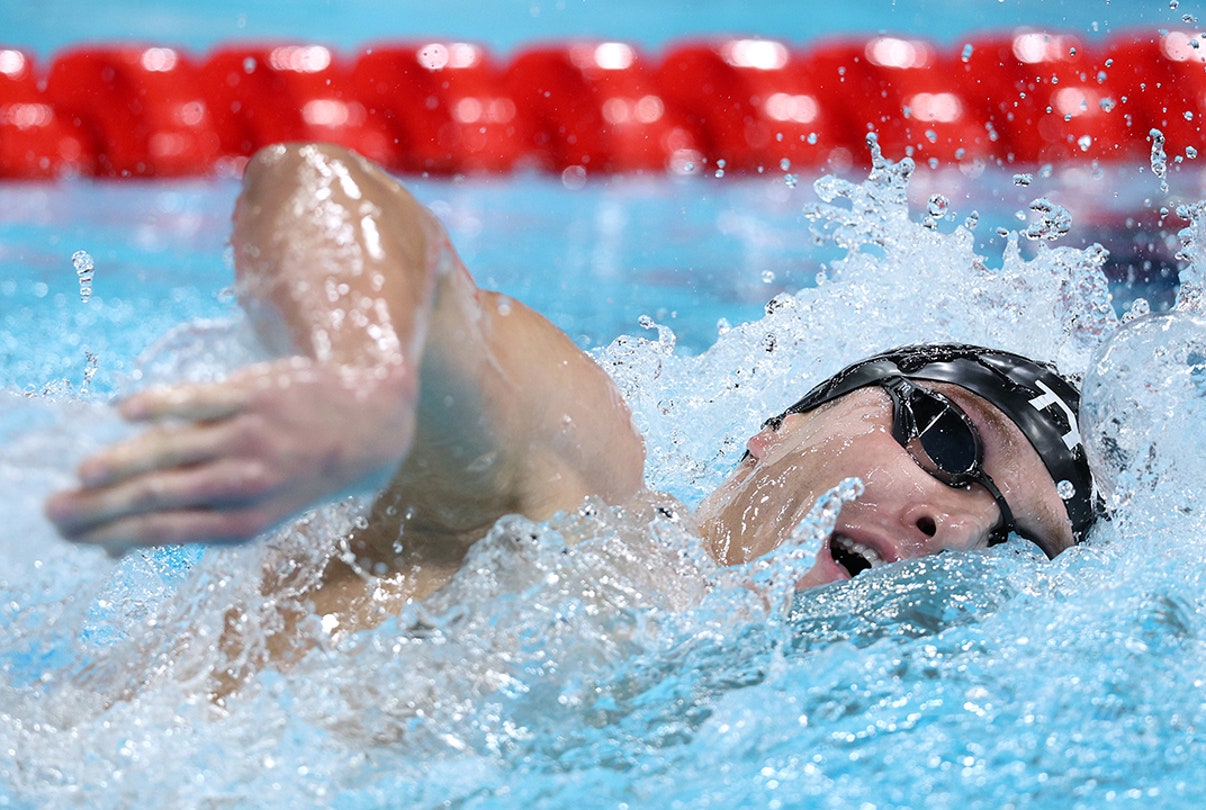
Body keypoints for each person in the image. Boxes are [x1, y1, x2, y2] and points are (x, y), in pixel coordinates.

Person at [44, 142, 1099, 636]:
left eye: (1006, 537)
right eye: (952, 446)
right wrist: (368, 385)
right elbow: (319, 184)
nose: (947, 520)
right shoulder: (589, 513)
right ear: (778, 429)